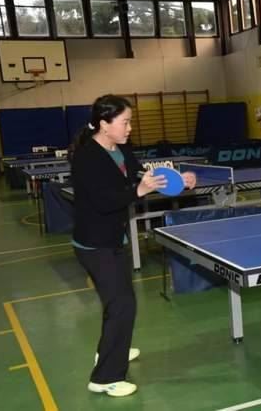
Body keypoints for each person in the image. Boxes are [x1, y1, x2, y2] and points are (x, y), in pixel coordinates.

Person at [70, 95, 196, 397]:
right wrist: (139, 191)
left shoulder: (121, 148)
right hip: (94, 244)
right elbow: (104, 202)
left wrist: (178, 180)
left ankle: (112, 349)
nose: (130, 128)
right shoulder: (87, 158)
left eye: (130, 121)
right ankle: (106, 378)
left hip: (114, 238)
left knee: (118, 302)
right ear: (104, 124)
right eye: (125, 122)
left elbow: (141, 173)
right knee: (123, 305)